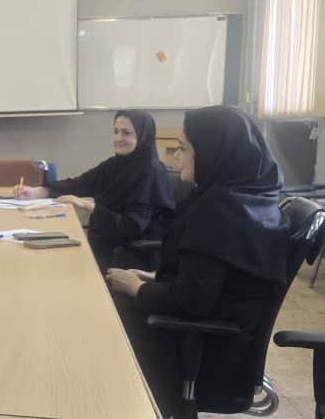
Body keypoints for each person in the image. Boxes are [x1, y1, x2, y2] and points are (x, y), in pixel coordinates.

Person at [105, 106, 291, 416]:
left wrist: (136, 287)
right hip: (225, 341)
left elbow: (191, 301)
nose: (175, 158)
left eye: (184, 148)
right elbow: (221, 278)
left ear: (212, 153)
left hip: (203, 346)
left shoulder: (217, 211)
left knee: (105, 320)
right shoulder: (254, 197)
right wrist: (153, 277)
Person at [15, 110, 175, 268]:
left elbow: (131, 228)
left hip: (131, 259)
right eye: (116, 131)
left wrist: (87, 205)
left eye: (126, 133)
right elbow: (79, 184)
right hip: (104, 245)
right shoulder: (114, 164)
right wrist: (38, 191)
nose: (118, 138)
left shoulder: (150, 173)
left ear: (143, 135)